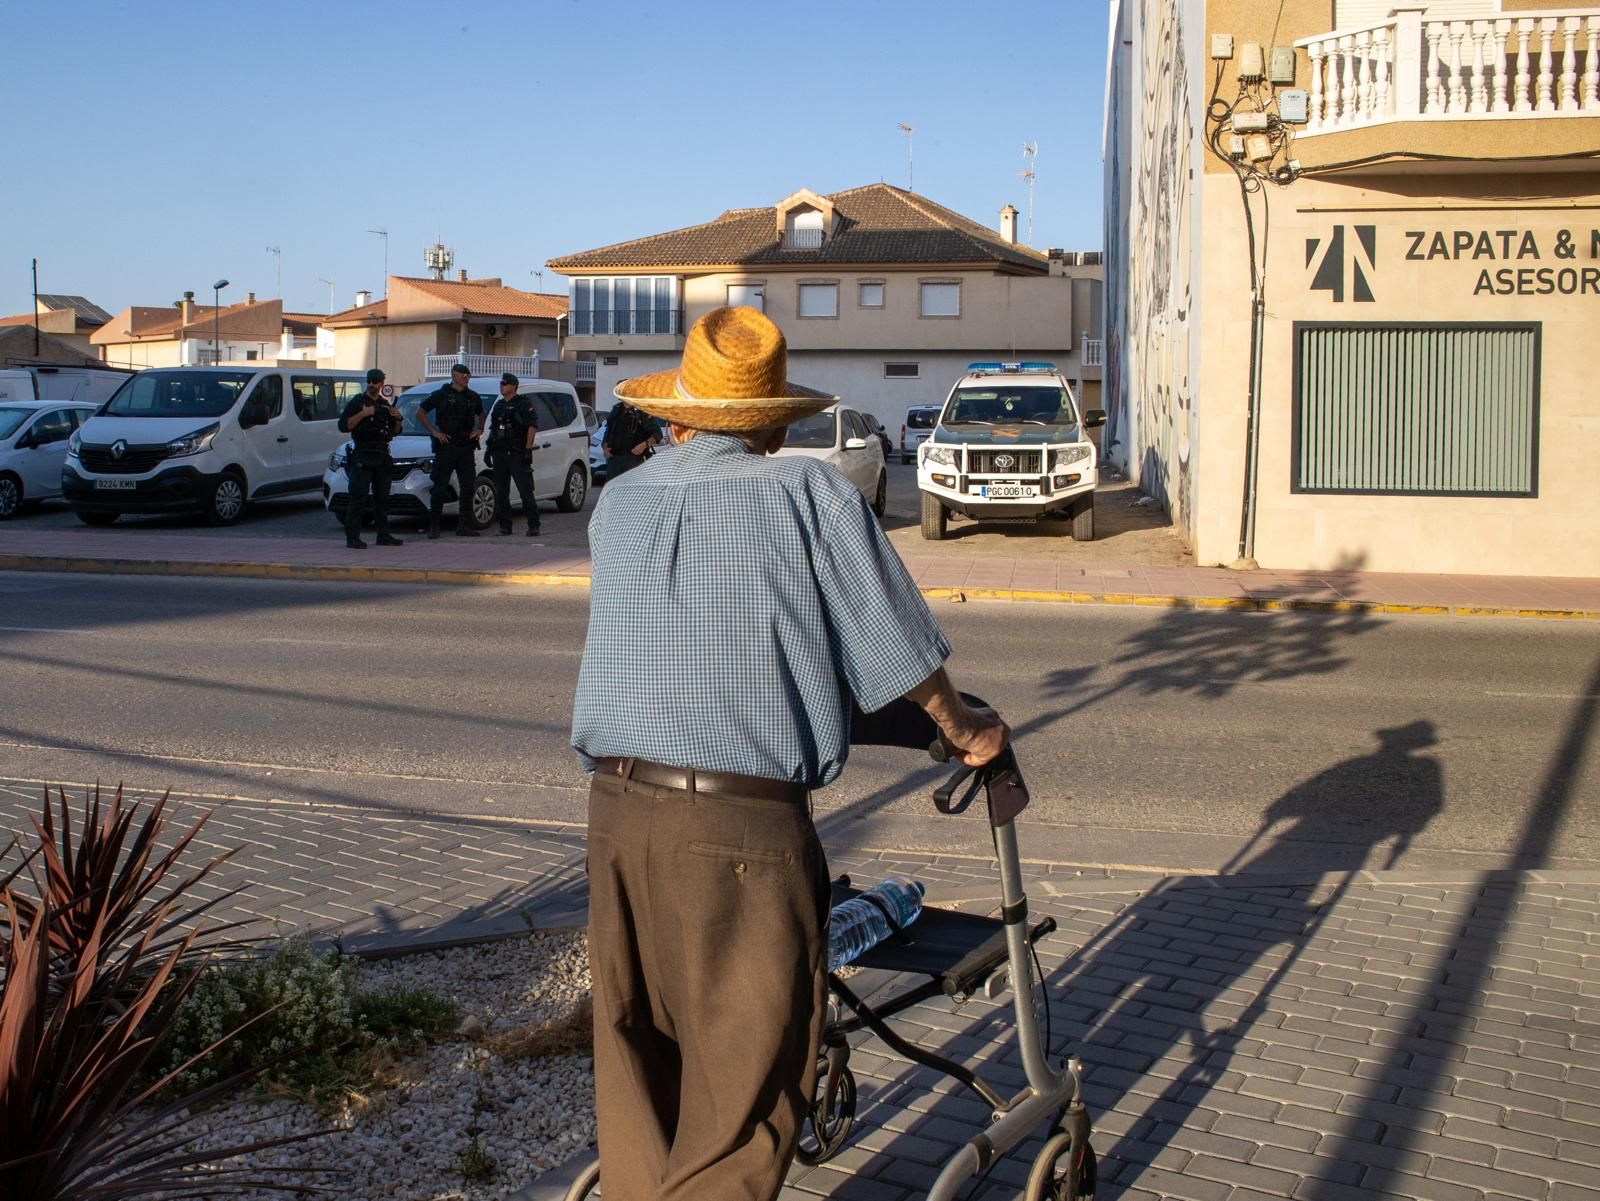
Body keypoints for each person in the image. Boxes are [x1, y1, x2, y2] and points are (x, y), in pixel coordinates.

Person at [571, 306, 1007, 1200]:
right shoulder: (807, 494)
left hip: (616, 817)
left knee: (640, 1064)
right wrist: (967, 730)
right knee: (743, 1090)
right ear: (772, 420)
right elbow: (899, 660)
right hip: (737, 830)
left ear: (676, 414)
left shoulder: (620, 501)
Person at [336, 368, 404, 550]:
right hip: (363, 455)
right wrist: (363, 414)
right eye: (369, 381)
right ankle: (353, 537)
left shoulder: (384, 404)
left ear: (382, 383)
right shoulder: (358, 402)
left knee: (382, 499)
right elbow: (343, 426)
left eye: (375, 381)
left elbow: (395, 432)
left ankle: (383, 535)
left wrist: (398, 418)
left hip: (381, 455)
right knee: (358, 498)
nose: (371, 384)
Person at [416, 363, 485, 538]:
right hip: (446, 445)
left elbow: (481, 413)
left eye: (468, 375)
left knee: (468, 487)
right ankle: (434, 527)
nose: (466, 378)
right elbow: (420, 412)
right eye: (463, 375)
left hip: (465, 446)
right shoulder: (441, 395)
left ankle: (463, 526)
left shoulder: (472, 396)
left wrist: (479, 429)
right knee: (439, 487)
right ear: (454, 376)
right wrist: (434, 432)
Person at [484, 372, 540, 536]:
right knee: (501, 493)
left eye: (505, 384)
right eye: (501, 384)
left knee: (525, 491)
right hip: (499, 453)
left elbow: (532, 426)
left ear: (514, 386)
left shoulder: (523, 403)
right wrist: (488, 450)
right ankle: (505, 526)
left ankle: (533, 525)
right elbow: (493, 429)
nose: (502, 386)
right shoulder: (499, 405)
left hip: (516, 453)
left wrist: (528, 448)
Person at [600, 397, 661, 479]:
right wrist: (605, 448)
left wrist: (644, 445)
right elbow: (608, 430)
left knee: (632, 489)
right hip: (614, 460)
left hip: (633, 459)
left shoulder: (642, 411)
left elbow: (657, 434)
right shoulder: (616, 409)